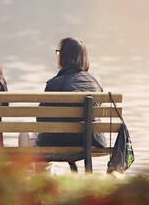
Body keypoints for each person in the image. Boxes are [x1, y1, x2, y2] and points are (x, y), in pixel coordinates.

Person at [35, 37, 107, 171]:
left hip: (59, 141)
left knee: (30, 137)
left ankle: (42, 179)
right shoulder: (95, 81)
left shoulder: (54, 83)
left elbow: (41, 120)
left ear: (63, 57)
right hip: (91, 141)